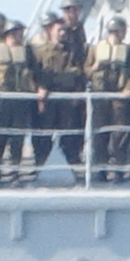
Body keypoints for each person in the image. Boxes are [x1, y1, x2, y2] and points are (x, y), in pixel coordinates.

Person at [0, 20, 42, 176]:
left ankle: (14, 171)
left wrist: (40, 87)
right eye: (18, 31)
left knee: (17, 138)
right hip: (1, 99)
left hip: (21, 100)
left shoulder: (27, 52)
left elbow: (37, 72)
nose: (21, 35)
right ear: (10, 33)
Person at [86, 16, 130, 176]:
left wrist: (129, 88)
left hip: (119, 99)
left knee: (120, 134)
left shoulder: (128, 50)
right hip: (100, 97)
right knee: (99, 134)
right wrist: (94, 68)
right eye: (123, 30)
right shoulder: (95, 49)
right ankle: (100, 170)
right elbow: (86, 71)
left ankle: (118, 170)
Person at [32, 12, 85, 168]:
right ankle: (41, 163)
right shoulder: (39, 52)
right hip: (47, 99)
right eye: (59, 30)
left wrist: (78, 94)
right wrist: (39, 88)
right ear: (50, 31)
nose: (62, 33)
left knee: (70, 133)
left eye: (64, 31)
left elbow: (79, 73)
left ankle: (71, 163)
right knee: (44, 133)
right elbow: (34, 73)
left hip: (67, 98)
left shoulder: (72, 52)